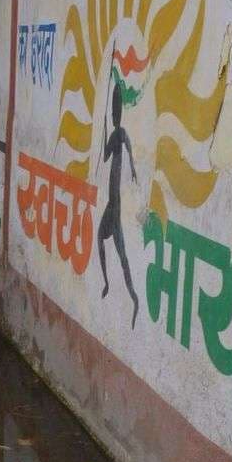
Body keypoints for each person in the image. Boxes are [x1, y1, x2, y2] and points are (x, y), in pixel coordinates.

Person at [97, 74, 140, 328]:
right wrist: (104, 132)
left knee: (123, 258)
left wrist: (133, 168)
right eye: (114, 109)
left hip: (115, 207)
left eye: (116, 108)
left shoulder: (121, 133)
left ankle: (133, 299)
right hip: (111, 206)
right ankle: (106, 282)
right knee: (101, 242)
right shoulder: (116, 135)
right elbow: (104, 157)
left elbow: (130, 149)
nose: (115, 113)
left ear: (118, 111)